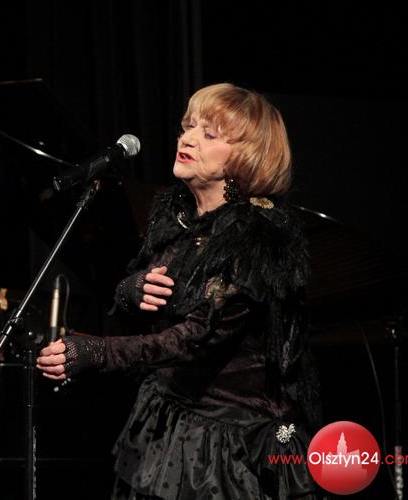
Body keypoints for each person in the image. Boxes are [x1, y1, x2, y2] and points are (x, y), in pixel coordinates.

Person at [37, 83, 321, 499]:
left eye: (209, 133)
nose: (187, 139)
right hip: (169, 418)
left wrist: (98, 352)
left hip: (233, 442)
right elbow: (137, 298)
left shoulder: (256, 239)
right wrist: (132, 290)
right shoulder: (176, 217)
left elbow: (192, 339)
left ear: (246, 156)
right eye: (188, 127)